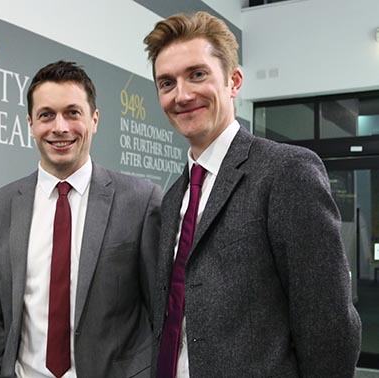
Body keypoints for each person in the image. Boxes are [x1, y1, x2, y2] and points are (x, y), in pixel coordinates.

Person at [143, 11, 361, 378]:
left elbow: (330, 325)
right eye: (167, 83)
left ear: (234, 81)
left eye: (197, 74)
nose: (182, 95)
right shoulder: (173, 197)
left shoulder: (285, 172)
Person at [0, 60, 162, 378]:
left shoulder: (141, 201)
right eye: (46, 115)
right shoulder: (0, 206)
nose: (60, 127)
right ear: (30, 124)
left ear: (94, 120)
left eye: (72, 113)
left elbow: (161, 312)